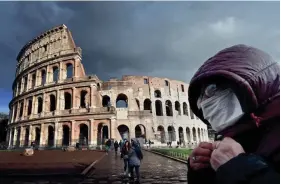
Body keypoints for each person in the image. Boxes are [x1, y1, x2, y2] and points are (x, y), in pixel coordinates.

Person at [187, 44, 280, 184]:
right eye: (200, 97)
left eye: (211, 89)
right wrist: (201, 172)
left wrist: (239, 168)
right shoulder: (232, 138)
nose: (201, 104)